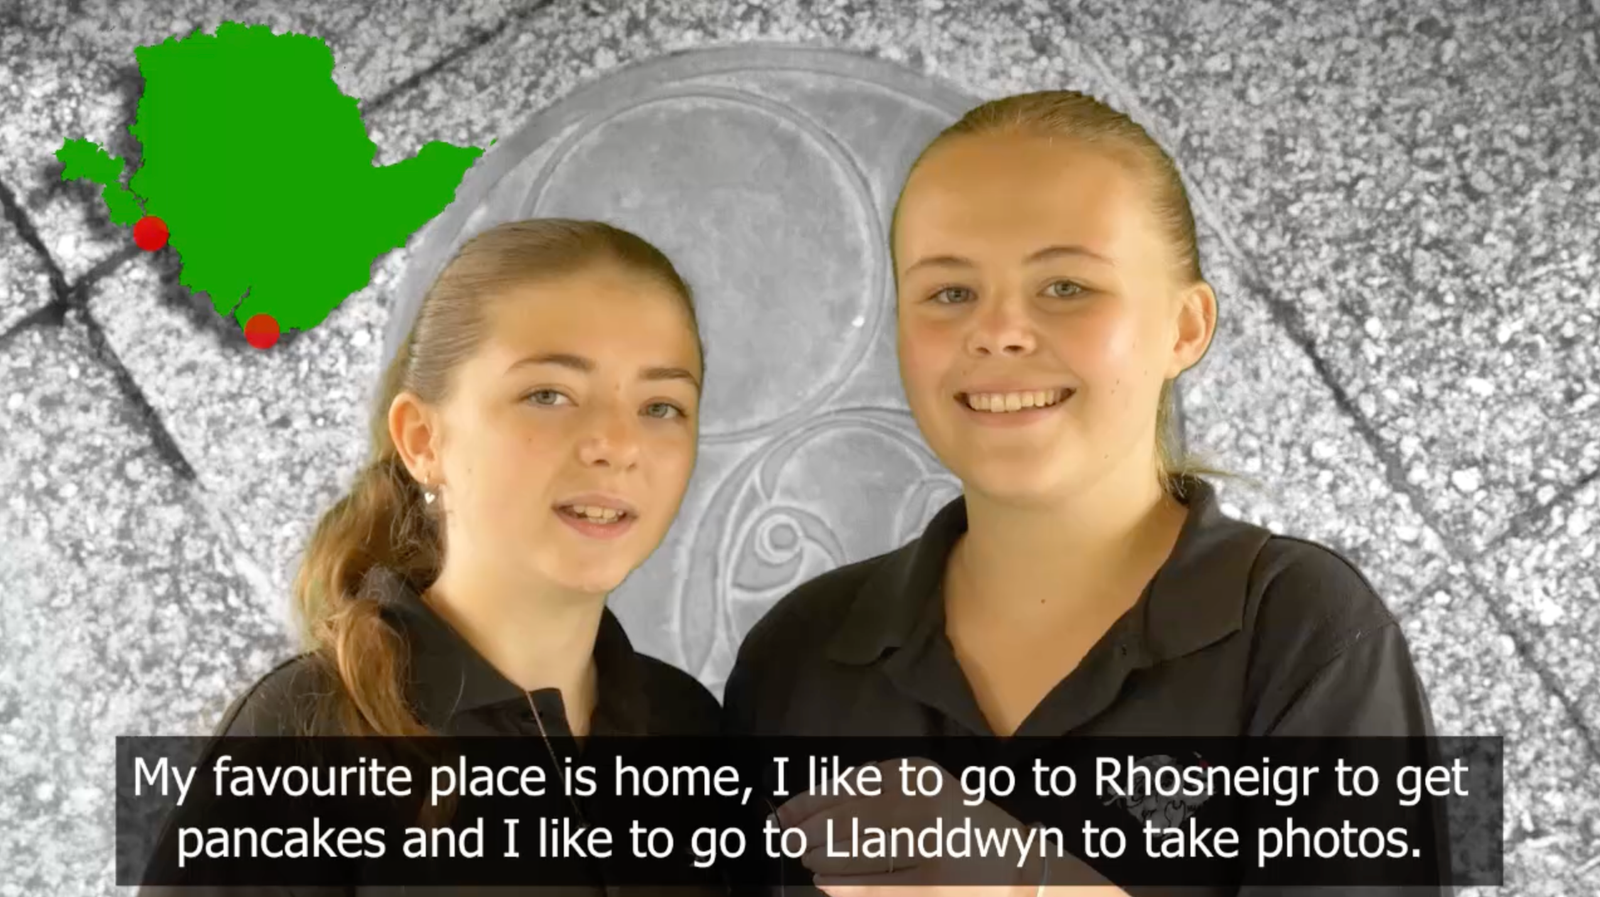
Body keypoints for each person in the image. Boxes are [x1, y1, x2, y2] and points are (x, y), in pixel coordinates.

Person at [722, 92, 1443, 896]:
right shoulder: (795, 652)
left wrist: (1029, 881)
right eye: (950, 292)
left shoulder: (1313, 632)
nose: (998, 331)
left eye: (1065, 286)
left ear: (1186, 327)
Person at [139, 219, 723, 895]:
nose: (618, 444)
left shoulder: (693, 727)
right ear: (422, 439)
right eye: (548, 394)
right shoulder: (299, 741)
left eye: (662, 405)